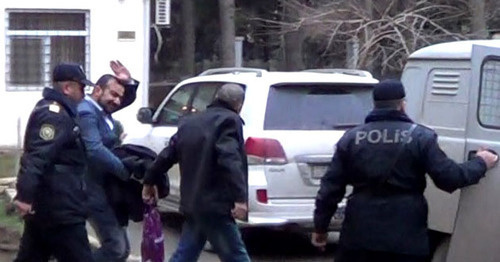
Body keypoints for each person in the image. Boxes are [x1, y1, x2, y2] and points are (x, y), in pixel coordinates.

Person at [311, 79, 499, 262]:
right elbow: (449, 178)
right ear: (402, 105)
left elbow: (330, 189)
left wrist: (320, 227)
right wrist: (481, 162)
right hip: (406, 238)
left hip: (359, 236)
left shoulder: (351, 139)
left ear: (375, 105)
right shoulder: (421, 137)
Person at [142, 83, 251, 262]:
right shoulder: (229, 121)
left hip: (193, 202)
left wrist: (149, 179)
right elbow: (229, 159)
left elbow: (168, 154)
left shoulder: (190, 122)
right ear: (238, 104)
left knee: (186, 254)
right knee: (236, 256)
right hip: (216, 204)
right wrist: (240, 198)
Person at [13, 63, 95, 262]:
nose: (84, 94)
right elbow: (37, 157)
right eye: (81, 87)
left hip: (51, 206)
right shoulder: (54, 114)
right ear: (67, 88)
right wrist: (24, 196)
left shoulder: (61, 112)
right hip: (60, 208)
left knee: (31, 256)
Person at [77, 60, 139, 262]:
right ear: (97, 90)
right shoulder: (87, 111)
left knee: (122, 250)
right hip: (91, 189)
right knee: (115, 248)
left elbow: (122, 98)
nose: (118, 101)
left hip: (105, 188)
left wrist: (127, 81)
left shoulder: (102, 109)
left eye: (120, 97)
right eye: (113, 94)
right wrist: (122, 170)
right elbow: (94, 149)